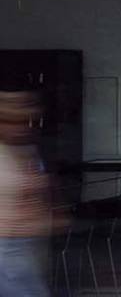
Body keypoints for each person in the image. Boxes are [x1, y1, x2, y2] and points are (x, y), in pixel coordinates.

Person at [0, 92, 53, 297]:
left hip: (22, 244)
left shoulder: (28, 153)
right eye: (11, 120)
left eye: (23, 120)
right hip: (6, 246)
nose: (19, 127)